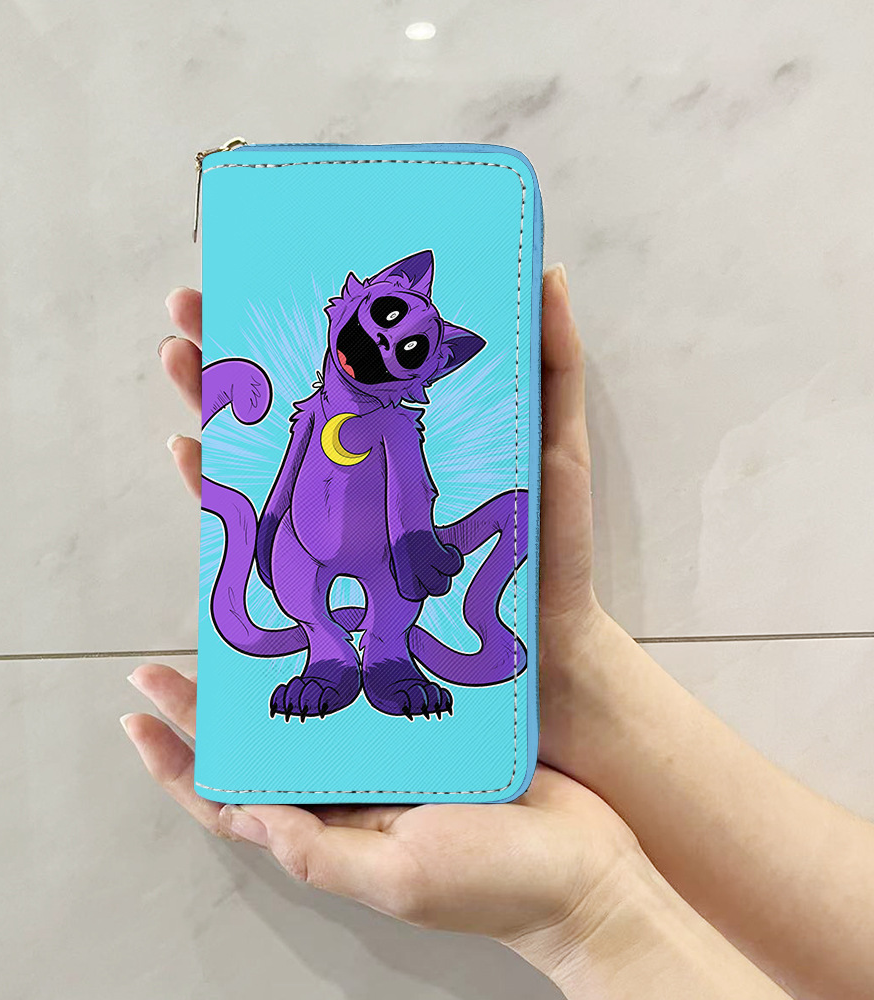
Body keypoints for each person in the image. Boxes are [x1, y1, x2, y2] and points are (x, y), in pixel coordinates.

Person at [121, 264, 874, 998]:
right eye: (387, 318)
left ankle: (386, 657)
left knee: (392, 602)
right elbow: (288, 473)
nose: (381, 345)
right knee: (302, 590)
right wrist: (263, 529)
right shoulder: (313, 412)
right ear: (352, 302)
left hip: (385, 557)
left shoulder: (394, 425)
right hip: (300, 552)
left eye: (409, 348)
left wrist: (418, 543)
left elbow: (410, 490)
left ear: (429, 370)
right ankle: (328, 655)